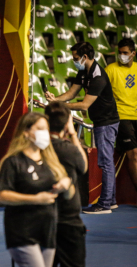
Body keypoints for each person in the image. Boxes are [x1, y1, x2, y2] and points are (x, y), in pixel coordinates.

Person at [45, 42, 120, 214]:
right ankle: (112, 200)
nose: (74, 61)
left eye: (76, 58)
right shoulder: (83, 71)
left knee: (105, 162)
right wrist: (55, 99)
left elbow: (84, 105)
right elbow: (71, 93)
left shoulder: (98, 77)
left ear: (85, 57)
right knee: (106, 161)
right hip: (101, 121)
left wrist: (61, 107)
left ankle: (105, 204)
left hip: (107, 123)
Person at [0, 112, 72, 267]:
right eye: (40, 129)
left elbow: (69, 193)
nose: (45, 133)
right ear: (26, 132)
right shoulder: (13, 162)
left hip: (48, 231)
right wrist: (36, 199)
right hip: (22, 231)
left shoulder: (50, 161)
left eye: (46, 129)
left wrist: (66, 184)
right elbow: (2, 195)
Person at [45, 102, 88, 267]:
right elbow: (83, 166)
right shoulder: (70, 150)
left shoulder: (34, 149)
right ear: (67, 123)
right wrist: (73, 134)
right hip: (68, 222)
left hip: (41, 221)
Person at [105, 38, 137, 193]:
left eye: (125, 53)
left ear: (133, 53)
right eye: (120, 53)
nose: (122, 56)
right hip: (121, 116)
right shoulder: (111, 69)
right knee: (134, 154)